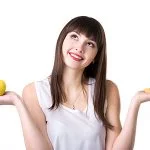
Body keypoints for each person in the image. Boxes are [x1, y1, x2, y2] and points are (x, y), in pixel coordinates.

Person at [0, 16, 150, 150]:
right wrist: (17, 102)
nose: (80, 47)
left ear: (96, 57)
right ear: (62, 41)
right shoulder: (34, 91)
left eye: (90, 44)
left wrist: (136, 101)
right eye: (74, 36)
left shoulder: (107, 89)